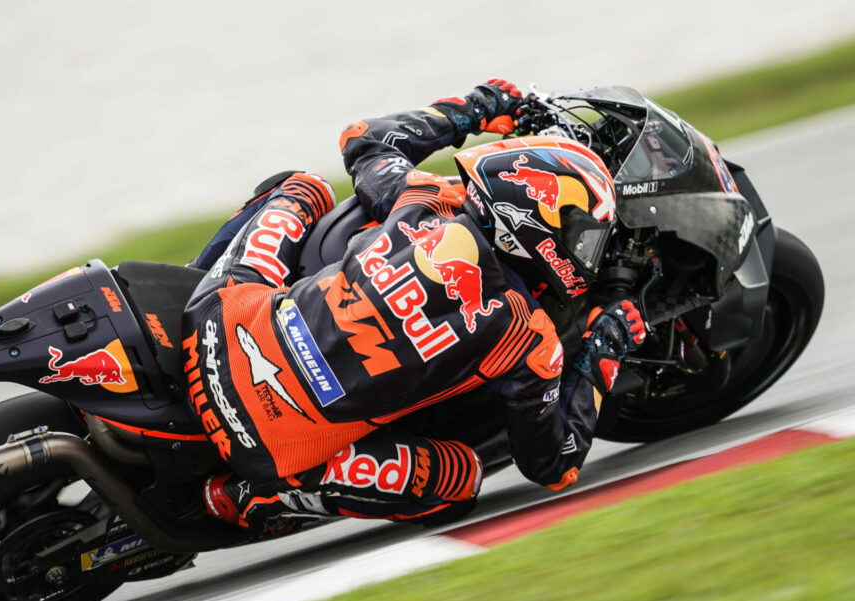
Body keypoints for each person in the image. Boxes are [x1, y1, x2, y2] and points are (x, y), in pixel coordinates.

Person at [181, 80, 646, 533]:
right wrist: (603, 349)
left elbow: (364, 138)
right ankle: (252, 496)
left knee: (305, 187)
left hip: (212, 325)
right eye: (585, 236)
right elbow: (554, 466)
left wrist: (474, 109)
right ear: (541, 229)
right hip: (266, 447)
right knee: (462, 478)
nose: (589, 251)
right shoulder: (530, 339)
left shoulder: (426, 199)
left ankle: (185, 283)